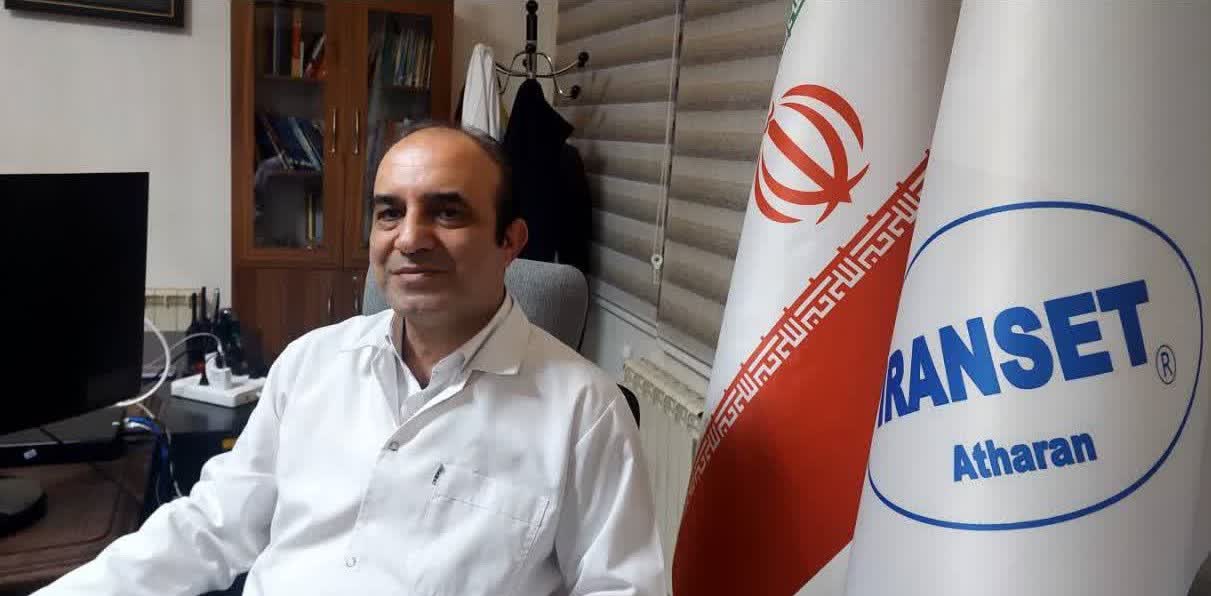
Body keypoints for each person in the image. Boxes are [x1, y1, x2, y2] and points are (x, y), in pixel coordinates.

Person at [36, 122, 664, 596]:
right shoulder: (310, 364)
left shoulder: (585, 412)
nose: (410, 238)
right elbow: (213, 525)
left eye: (447, 211)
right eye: (390, 212)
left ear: (510, 241)